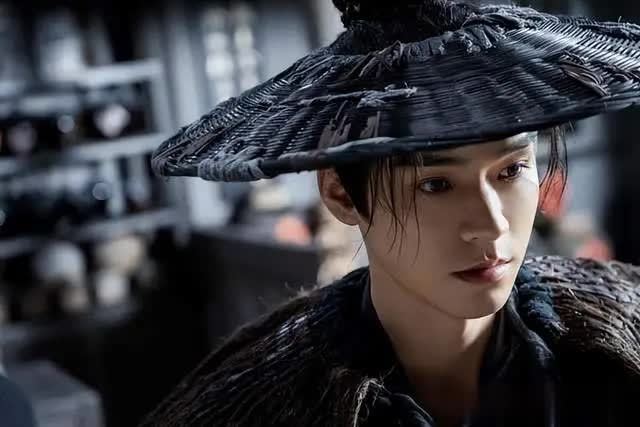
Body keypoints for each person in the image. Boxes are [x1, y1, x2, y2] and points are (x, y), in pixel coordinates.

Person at [143, 1, 640, 426]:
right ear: (340, 194)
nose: (492, 225)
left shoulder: (618, 334)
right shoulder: (255, 405)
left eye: (511, 171)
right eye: (435, 184)